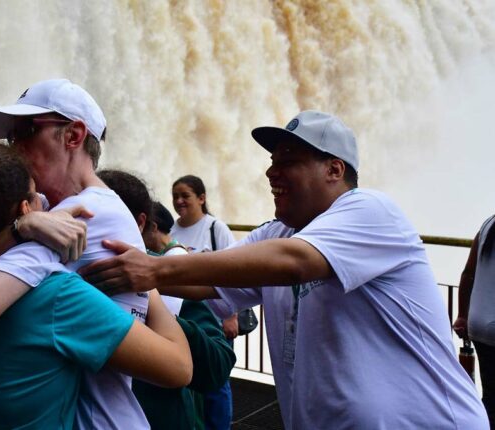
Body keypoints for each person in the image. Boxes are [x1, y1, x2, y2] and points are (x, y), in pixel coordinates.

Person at [80, 110, 489, 429]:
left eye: (289, 161)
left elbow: (296, 263)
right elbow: (205, 279)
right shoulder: (277, 233)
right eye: (273, 162)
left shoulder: (371, 211)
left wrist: (153, 274)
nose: (271, 172)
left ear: (335, 170)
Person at [0, 78, 180, 428]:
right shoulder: (61, 213)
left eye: (26, 130)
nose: (14, 148)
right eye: (10, 137)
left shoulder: (80, 218)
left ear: (73, 136)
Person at [98, 169, 236, 430]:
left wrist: (158, 317)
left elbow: (218, 367)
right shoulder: (57, 271)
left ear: (139, 223)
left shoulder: (166, 276)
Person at [170, 174, 240, 430]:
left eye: (185, 196)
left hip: (215, 319)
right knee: (195, 382)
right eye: (175, 196)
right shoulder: (173, 230)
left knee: (218, 384)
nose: (179, 201)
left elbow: (234, 270)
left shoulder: (215, 227)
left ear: (201, 198)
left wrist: (232, 316)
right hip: (187, 316)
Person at [454, 214, 495, 426]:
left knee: (490, 395)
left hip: (479, 325)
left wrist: (462, 315)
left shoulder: (488, 224)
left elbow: (468, 273)